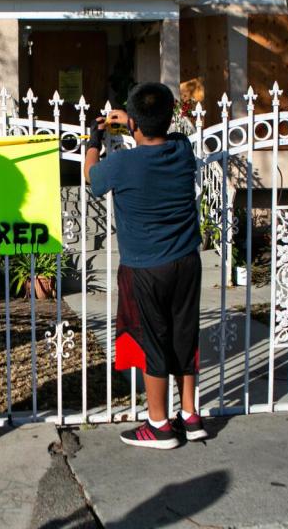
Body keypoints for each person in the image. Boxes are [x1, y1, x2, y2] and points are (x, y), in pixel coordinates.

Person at [84, 82, 206, 450]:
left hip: (146, 269)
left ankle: (158, 425)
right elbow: (164, 134)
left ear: (133, 124)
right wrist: (136, 121)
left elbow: (92, 177)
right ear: (170, 118)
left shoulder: (120, 164)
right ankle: (190, 415)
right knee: (184, 335)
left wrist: (94, 141)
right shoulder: (182, 150)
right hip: (187, 260)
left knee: (154, 341)